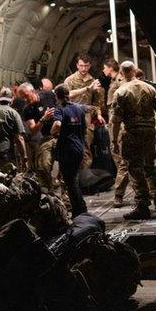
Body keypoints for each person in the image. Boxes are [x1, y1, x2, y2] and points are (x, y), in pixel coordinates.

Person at [111, 61, 156, 220]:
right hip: (149, 133)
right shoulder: (149, 88)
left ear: (121, 73)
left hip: (132, 134)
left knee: (135, 169)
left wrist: (114, 141)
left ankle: (142, 205)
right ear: (135, 71)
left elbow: (116, 120)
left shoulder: (121, 92)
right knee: (150, 166)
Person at [51, 84, 90, 216]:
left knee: (70, 181)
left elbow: (57, 124)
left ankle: (79, 210)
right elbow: (84, 128)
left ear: (57, 96)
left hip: (67, 149)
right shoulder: (79, 109)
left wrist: (53, 132)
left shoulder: (59, 109)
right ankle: (80, 208)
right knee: (74, 179)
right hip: (79, 148)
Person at [63, 56, 105, 168]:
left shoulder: (93, 81)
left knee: (86, 147)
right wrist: (87, 89)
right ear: (77, 65)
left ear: (89, 66)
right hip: (72, 117)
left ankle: (85, 177)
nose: (83, 68)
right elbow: (67, 95)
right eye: (81, 65)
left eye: (86, 66)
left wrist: (99, 114)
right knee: (71, 146)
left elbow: (97, 102)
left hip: (87, 118)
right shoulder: (70, 80)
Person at [16, 82, 57, 184]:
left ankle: (65, 191)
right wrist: (44, 118)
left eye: (26, 96)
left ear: (32, 91)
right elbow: (33, 129)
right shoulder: (28, 110)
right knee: (43, 166)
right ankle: (48, 190)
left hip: (62, 133)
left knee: (66, 165)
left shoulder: (48, 94)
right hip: (48, 137)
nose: (25, 100)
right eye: (22, 98)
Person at [103, 59, 130, 207]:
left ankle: (119, 194)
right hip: (115, 121)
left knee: (121, 159)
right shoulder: (115, 81)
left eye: (104, 68)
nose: (103, 71)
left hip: (118, 124)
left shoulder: (119, 81)